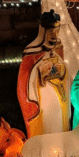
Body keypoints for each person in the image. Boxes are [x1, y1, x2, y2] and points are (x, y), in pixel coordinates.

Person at [17, 10, 69, 138]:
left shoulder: (58, 47)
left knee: (59, 124)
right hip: (42, 99)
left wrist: (61, 71)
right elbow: (23, 82)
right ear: (43, 31)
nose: (54, 35)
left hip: (60, 96)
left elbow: (64, 71)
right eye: (51, 32)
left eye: (56, 31)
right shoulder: (31, 51)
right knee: (47, 126)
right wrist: (40, 74)